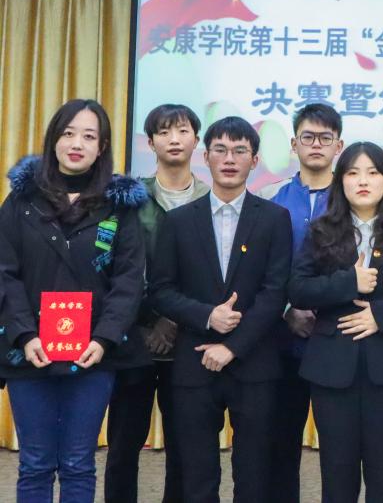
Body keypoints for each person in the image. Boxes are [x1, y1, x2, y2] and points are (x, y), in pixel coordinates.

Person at [0, 99, 147, 503]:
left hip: (93, 354)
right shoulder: (21, 202)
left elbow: (129, 280)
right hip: (28, 351)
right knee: (35, 463)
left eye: (88, 136)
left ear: (102, 147)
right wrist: (24, 334)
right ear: (54, 140)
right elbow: (5, 274)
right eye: (68, 133)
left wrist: (104, 338)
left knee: (79, 463)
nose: (77, 143)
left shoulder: (120, 207)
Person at [288, 142, 383, 503]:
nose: (363, 181)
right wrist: (349, 283)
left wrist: (382, 315)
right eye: (353, 173)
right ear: (340, 180)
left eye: (372, 172)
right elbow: (298, 289)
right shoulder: (322, 229)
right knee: (337, 475)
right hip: (332, 368)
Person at [148, 116, 292, 503]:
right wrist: (206, 315)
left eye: (240, 151)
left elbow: (275, 292)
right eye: (221, 150)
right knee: (196, 473)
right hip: (194, 361)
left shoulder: (274, 219)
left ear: (255, 160)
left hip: (255, 362)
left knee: (255, 473)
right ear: (205, 157)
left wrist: (232, 346)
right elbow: (161, 290)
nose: (230, 159)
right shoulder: (179, 221)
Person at [104, 104, 209, 503]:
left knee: (185, 446)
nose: (174, 139)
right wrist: (147, 322)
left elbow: (214, 275)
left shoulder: (211, 198)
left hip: (190, 341)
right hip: (134, 337)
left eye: (182, 131)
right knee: (123, 443)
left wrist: (175, 320)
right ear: (150, 143)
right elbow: (117, 268)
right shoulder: (129, 198)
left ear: (196, 141)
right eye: (163, 132)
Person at [259, 103, 343, 503]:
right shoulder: (270, 199)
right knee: (280, 445)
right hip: (280, 341)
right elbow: (260, 271)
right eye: (308, 137)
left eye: (325, 138)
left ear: (339, 146)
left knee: (340, 450)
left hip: (337, 341)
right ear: (294, 144)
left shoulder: (354, 198)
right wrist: (287, 311)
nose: (316, 145)